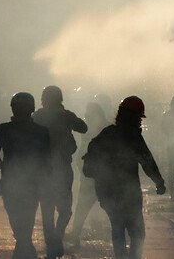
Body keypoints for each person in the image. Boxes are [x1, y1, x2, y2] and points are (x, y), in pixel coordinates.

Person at [83, 96, 166, 259]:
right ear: (132, 117)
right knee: (138, 233)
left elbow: (89, 169)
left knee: (117, 227)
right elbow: (147, 161)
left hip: (105, 191)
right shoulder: (132, 136)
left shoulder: (105, 134)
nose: (140, 122)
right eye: (138, 118)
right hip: (128, 192)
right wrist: (159, 182)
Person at [0, 93, 50, 259]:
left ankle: (23, 243)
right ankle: (24, 243)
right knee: (25, 215)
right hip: (27, 182)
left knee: (16, 214)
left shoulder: (3, 129)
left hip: (15, 181)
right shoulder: (41, 131)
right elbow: (46, 159)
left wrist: (6, 168)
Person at [32, 85, 88, 259]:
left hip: (43, 168)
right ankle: (56, 237)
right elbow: (83, 127)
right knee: (65, 209)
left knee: (47, 208)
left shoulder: (37, 116)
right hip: (62, 166)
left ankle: (52, 241)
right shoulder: (65, 115)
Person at [69, 99, 110, 245]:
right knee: (84, 206)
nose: (86, 115)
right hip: (92, 174)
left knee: (86, 206)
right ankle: (75, 234)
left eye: (88, 113)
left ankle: (75, 234)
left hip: (100, 175)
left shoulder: (103, 129)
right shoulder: (92, 128)